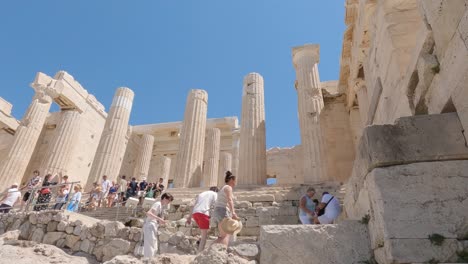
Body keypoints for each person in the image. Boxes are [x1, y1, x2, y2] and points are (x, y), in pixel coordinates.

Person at [211, 171, 239, 246]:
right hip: (222, 210)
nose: (236, 183)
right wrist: (233, 213)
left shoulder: (223, 188)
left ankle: (210, 250)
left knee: (222, 235)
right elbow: (230, 200)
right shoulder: (228, 187)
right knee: (227, 234)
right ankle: (223, 252)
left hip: (218, 211)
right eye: (235, 180)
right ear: (232, 180)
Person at [187, 186, 219, 251]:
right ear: (216, 191)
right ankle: (200, 252)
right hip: (203, 213)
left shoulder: (201, 194)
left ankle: (199, 241)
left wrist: (189, 217)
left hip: (195, 213)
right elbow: (216, 204)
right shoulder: (214, 194)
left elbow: (192, 205)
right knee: (204, 236)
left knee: (205, 230)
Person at [143, 193, 174, 258]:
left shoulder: (161, 207)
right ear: (165, 198)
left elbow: (157, 219)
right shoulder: (157, 204)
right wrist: (159, 219)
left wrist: (162, 221)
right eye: (169, 200)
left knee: (154, 246)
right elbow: (149, 213)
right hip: (150, 226)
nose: (169, 202)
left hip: (153, 226)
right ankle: (148, 261)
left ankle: (150, 261)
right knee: (150, 247)